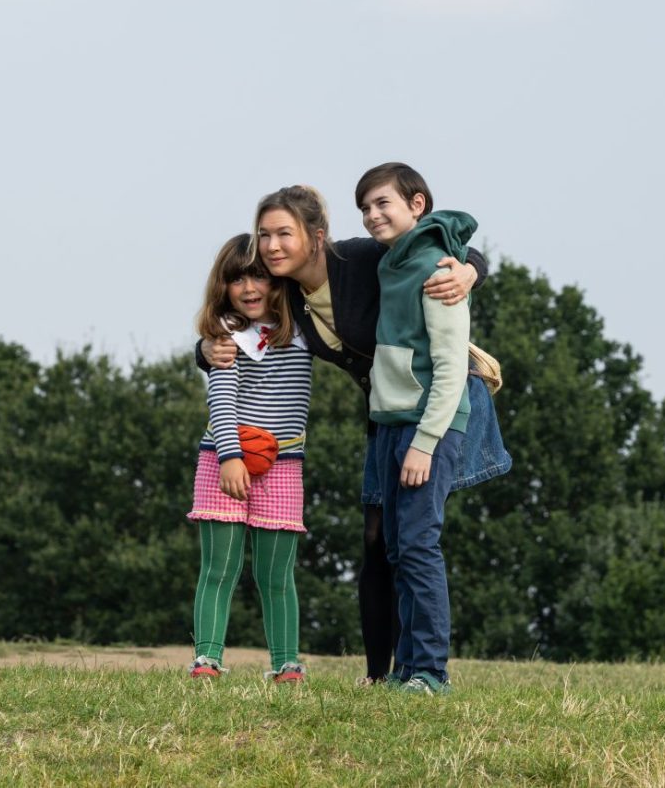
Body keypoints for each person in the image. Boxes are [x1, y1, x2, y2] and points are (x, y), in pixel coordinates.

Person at [198, 184, 506, 685]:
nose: (272, 246)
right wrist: (205, 352)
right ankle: (379, 674)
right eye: (264, 236)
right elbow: (240, 339)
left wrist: (471, 271)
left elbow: (444, 249)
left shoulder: (359, 259)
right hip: (384, 412)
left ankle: (425, 671)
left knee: (414, 537)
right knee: (377, 540)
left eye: (283, 234)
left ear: (316, 236)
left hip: (434, 402)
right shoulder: (289, 298)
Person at [358, 162, 475, 694]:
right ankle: (406, 669)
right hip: (390, 423)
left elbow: (451, 369)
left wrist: (425, 444)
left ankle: (431, 671)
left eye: (383, 203)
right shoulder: (391, 263)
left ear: (417, 205)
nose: (372, 214)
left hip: (427, 427)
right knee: (397, 550)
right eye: (365, 207)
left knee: (420, 546)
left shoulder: (436, 268)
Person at [186, 233, 312, 684]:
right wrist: (230, 457)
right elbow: (220, 399)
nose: (248, 288)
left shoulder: (304, 325)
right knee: (219, 568)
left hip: (284, 464)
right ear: (223, 287)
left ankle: (285, 664)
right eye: (236, 279)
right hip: (224, 460)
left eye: (258, 274)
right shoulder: (226, 333)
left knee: (277, 575)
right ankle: (207, 659)